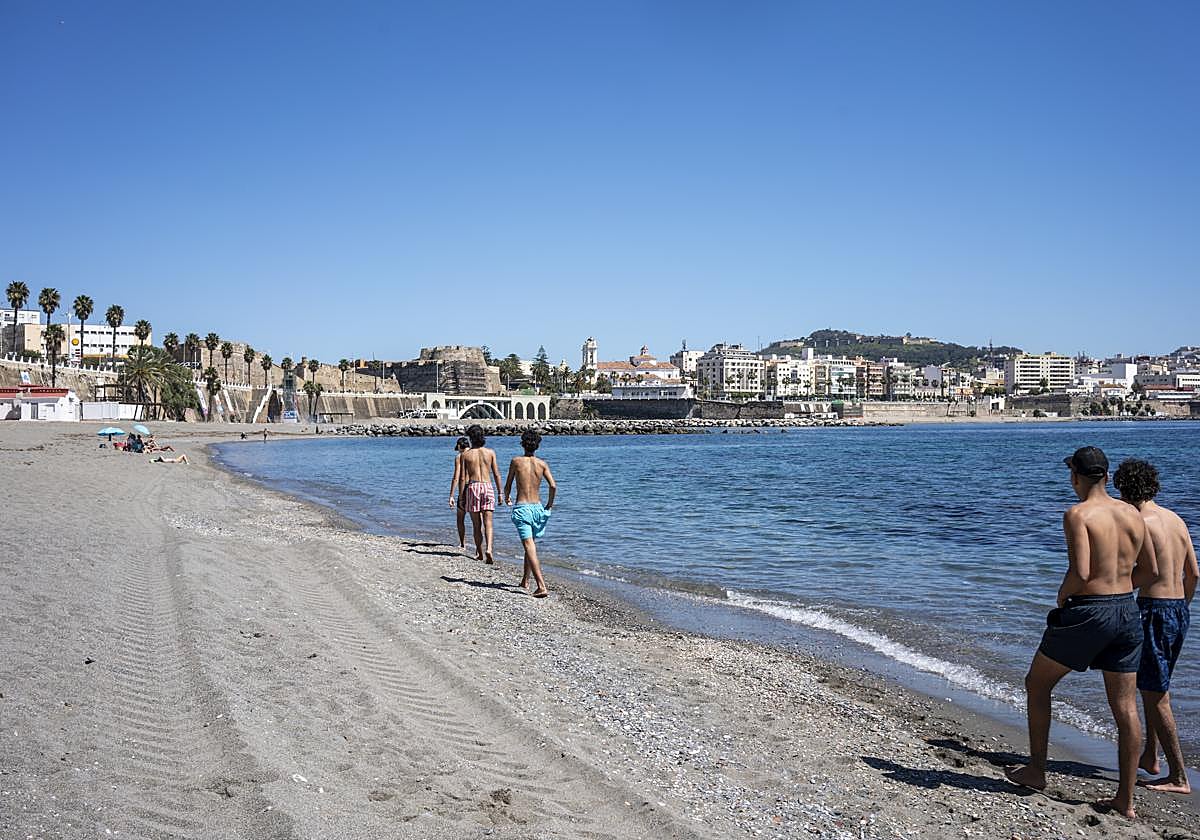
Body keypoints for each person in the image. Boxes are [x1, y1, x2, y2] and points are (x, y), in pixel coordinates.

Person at [1005, 446, 1157, 819]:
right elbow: (1150, 570)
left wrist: (1063, 596)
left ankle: (1037, 770)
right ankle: (1126, 800)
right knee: (1124, 707)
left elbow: (1082, 572)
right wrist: (1120, 588)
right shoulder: (1133, 513)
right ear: (1106, 476)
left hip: (1090, 612)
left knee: (1037, 685)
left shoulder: (1077, 514)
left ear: (1075, 476)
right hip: (1126, 610)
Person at [1113, 458, 1198, 794]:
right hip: (1179, 610)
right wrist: (1181, 608)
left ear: (1123, 489)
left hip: (1154, 609)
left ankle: (1178, 776)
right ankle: (1150, 756)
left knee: (1156, 695)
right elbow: (1193, 573)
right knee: (1155, 686)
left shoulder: (1138, 522)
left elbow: (1134, 571)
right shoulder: (1175, 519)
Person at [504, 429, 556, 598]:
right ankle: (525, 580)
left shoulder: (516, 461)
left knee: (529, 545)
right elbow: (553, 486)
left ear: (522, 444)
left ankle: (541, 585)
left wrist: (506, 498)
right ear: (537, 446)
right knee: (531, 544)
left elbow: (508, 484)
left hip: (523, 508)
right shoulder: (542, 464)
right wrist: (549, 504)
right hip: (537, 508)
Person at [459, 424, 503, 564]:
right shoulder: (490, 453)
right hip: (487, 486)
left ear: (471, 438)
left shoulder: (465, 455)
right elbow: (496, 474)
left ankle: (479, 551)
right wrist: (500, 493)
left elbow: (462, 478)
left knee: (476, 524)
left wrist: (461, 496)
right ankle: (489, 548)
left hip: (473, 486)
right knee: (488, 522)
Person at [447, 436, 472, 550]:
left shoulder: (459, 457)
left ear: (459, 446)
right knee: (478, 519)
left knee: (460, 518)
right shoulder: (475, 454)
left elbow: (456, 477)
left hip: (464, 488)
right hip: (476, 487)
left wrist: (451, 495)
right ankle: (480, 546)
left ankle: (463, 544)